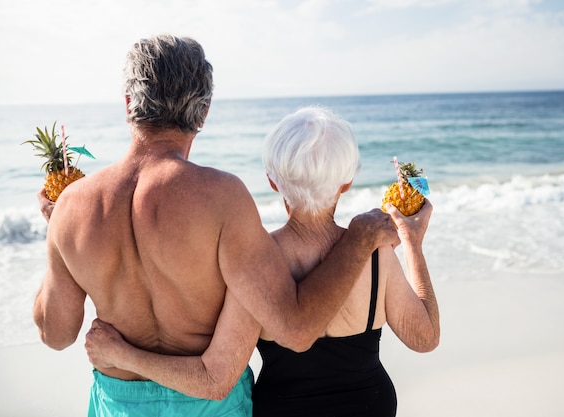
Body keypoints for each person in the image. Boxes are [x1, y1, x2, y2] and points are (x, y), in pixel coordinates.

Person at [33, 35, 398, 417]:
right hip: (210, 406)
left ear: (128, 105)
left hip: (117, 404)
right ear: (204, 112)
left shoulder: (73, 205)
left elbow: (56, 335)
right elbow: (296, 330)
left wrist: (56, 227)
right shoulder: (221, 197)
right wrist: (358, 241)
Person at [83, 106, 440, 417]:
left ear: (271, 181)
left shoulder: (253, 261)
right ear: (346, 182)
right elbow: (425, 339)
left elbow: (212, 376)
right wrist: (413, 243)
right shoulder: (376, 254)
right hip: (371, 405)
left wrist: (123, 354)